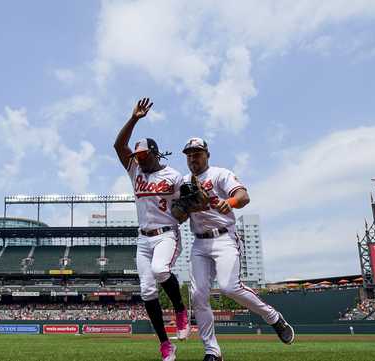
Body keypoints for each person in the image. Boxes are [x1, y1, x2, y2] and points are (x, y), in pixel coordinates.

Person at [175, 137, 295, 361]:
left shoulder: (220, 174)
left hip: (224, 238)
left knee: (229, 287)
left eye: (197, 153)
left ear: (207, 155)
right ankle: (212, 351)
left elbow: (243, 197)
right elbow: (178, 214)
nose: (193, 157)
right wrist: (182, 209)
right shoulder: (182, 182)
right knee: (198, 294)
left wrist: (228, 202)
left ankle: (273, 317)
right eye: (189, 154)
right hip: (199, 242)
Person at [114, 98, 189, 361]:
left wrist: (185, 210)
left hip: (166, 233)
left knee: (160, 270)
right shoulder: (135, 171)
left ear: (156, 154)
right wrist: (134, 118)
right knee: (146, 291)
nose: (140, 159)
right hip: (142, 239)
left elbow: (186, 203)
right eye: (138, 156)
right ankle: (166, 344)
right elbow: (118, 145)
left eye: (144, 155)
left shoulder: (174, 176)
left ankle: (180, 309)